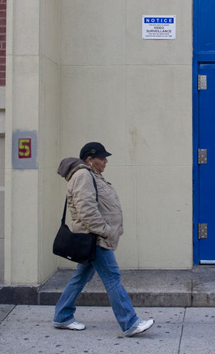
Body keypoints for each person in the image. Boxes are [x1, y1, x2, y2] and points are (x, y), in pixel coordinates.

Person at [52, 142, 154, 337]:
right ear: (90, 160)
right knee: (112, 277)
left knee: (81, 276)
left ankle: (62, 315)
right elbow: (87, 211)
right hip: (95, 238)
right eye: (102, 157)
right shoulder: (83, 175)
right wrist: (106, 231)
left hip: (95, 236)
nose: (106, 160)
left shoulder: (91, 175)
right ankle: (129, 322)